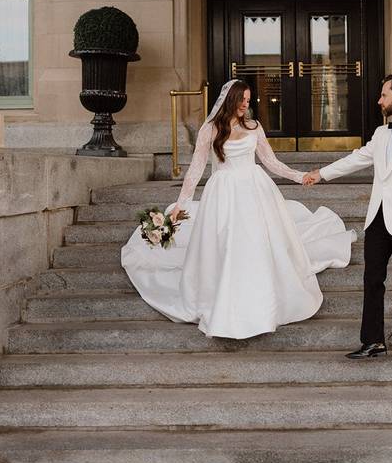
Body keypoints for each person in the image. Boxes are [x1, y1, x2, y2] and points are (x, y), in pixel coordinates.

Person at [121, 79, 356, 339]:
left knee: (255, 242)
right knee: (226, 243)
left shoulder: (255, 127)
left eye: (248, 99)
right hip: (223, 192)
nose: (247, 103)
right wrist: (181, 203)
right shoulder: (210, 129)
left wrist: (300, 176)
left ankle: (259, 299)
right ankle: (225, 298)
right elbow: (196, 169)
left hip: (255, 190)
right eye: (242, 99)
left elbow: (271, 162)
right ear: (230, 99)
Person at [304, 74, 392, 363]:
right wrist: (321, 174)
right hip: (378, 219)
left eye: (383, 95)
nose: (379, 100)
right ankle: (372, 341)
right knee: (372, 280)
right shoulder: (381, 134)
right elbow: (357, 158)